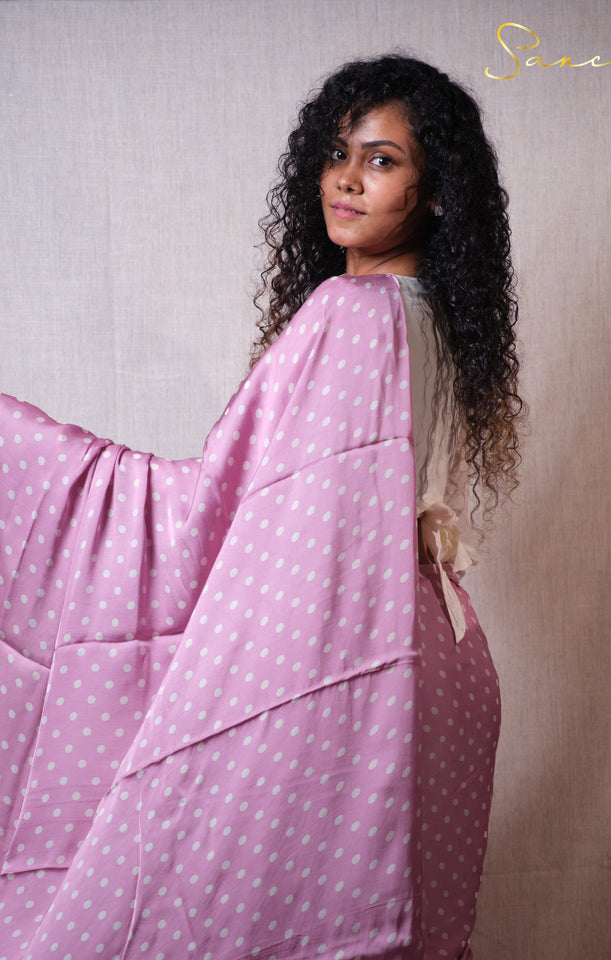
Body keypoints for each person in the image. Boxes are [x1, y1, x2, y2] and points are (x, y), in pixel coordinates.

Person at [0, 54, 521, 959]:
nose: (346, 178)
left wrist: (28, 457)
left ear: (436, 192)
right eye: (335, 153)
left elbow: (256, 522)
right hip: (440, 651)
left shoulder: (355, 312)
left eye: (383, 159)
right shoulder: (428, 314)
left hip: (354, 652)